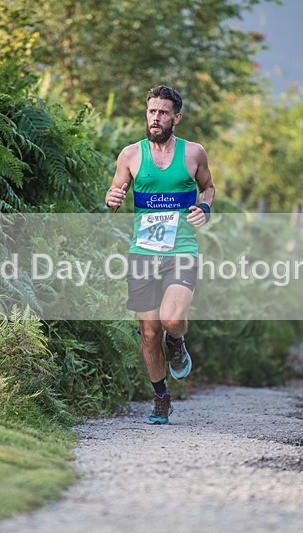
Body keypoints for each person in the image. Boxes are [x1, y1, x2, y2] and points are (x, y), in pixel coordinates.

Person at [105, 85, 215, 425]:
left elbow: (207, 188)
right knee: (149, 332)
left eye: (163, 112)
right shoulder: (130, 155)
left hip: (181, 249)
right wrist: (113, 198)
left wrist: (204, 209)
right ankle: (161, 397)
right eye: (152, 111)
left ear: (176, 117)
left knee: (170, 321)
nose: (156, 118)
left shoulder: (193, 153)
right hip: (142, 252)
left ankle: (177, 341)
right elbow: (115, 189)